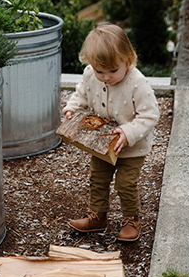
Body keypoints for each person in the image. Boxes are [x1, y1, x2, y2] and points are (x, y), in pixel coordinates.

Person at [63, 22, 160, 242]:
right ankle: (98, 216)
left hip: (131, 147)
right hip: (102, 144)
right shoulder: (90, 74)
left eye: (113, 71)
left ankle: (130, 219)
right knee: (97, 178)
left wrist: (128, 132)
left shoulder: (137, 83)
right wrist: (72, 107)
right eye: (100, 71)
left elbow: (150, 115)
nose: (106, 77)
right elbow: (82, 94)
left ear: (128, 59)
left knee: (125, 183)